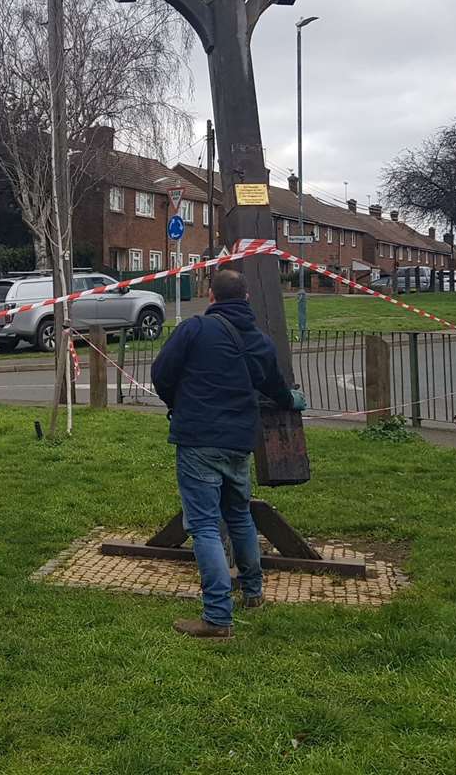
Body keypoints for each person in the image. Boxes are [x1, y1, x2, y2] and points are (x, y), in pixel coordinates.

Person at [150, 268, 306, 639]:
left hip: (198, 440)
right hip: (239, 442)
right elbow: (276, 388)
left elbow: (161, 373)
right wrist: (291, 402)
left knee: (204, 524)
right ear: (247, 298)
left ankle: (218, 616)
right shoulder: (261, 342)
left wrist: (178, 404)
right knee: (239, 515)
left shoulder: (194, 330)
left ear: (210, 296)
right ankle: (253, 592)